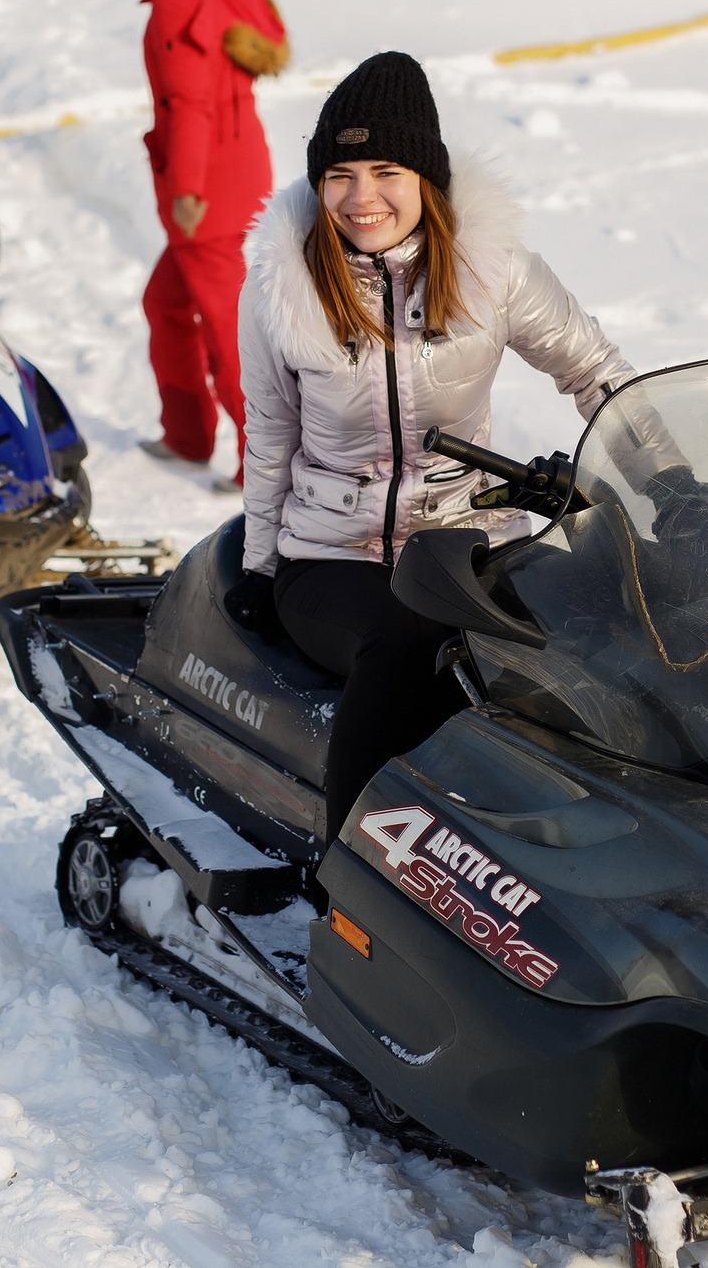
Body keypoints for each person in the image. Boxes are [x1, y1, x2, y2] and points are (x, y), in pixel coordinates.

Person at [230, 51, 636, 832]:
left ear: (426, 177)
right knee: (410, 635)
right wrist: (258, 561)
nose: (362, 197)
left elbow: (596, 371)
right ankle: (350, 870)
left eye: (385, 169)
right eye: (340, 174)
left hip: (466, 544)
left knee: (594, 627)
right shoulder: (284, 283)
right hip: (334, 558)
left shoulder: (493, 268)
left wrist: (676, 470)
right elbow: (272, 429)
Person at [136, 0, 288, 488]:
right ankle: (187, 434)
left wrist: (188, 190)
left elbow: (191, 100)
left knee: (227, 327)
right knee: (166, 303)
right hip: (238, 166)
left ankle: (265, 462)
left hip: (206, 189)